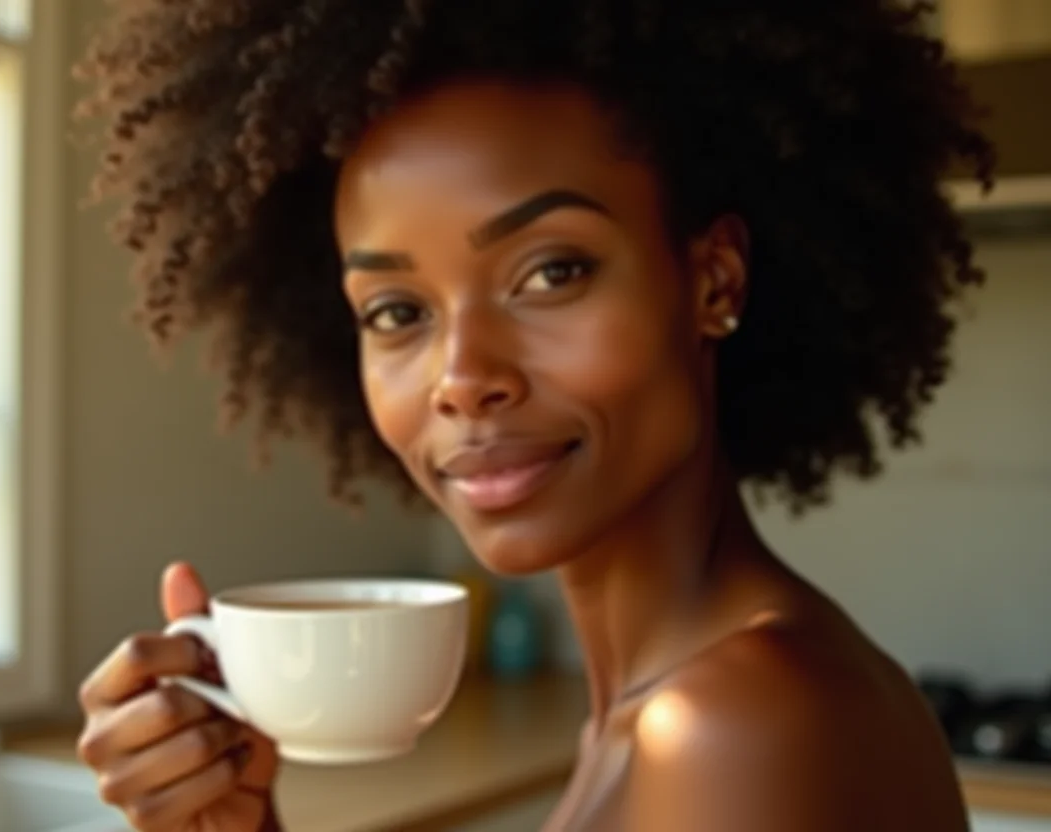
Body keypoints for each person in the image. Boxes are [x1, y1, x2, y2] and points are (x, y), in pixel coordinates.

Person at [71, 1, 995, 830]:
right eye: (398, 312)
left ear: (714, 282)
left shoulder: (735, 726)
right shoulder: (662, 702)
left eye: (553, 271)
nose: (462, 378)